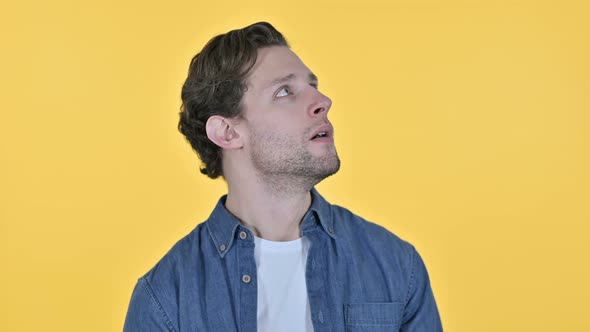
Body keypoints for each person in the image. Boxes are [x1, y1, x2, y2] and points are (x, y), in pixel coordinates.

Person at [123, 22, 443, 332]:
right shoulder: (165, 299)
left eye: (313, 86)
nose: (323, 102)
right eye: (285, 91)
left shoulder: (396, 265)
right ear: (228, 132)